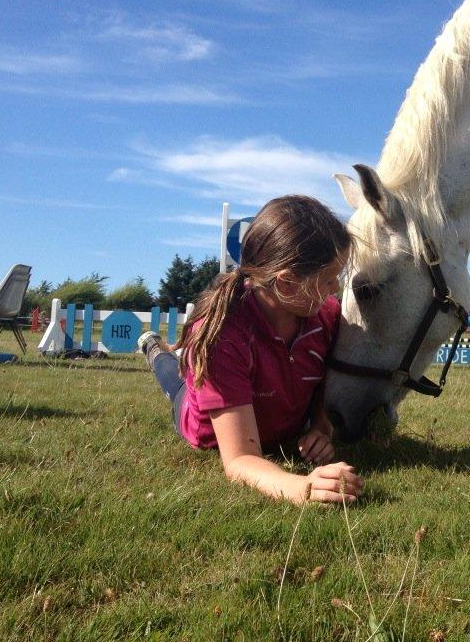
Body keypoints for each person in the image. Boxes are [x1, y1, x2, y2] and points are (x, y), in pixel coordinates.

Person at [139, 195, 363, 506]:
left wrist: (321, 429)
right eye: (327, 280)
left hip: (276, 426)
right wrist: (300, 488)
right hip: (205, 428)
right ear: (286, 285)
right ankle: (154, 348)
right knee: (172, 379)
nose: (335, 289)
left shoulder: (324, 315)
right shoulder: (222, 336)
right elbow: (241, 458)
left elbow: (326, 380)